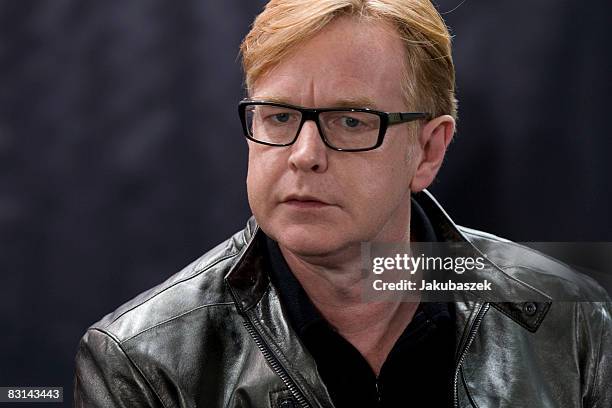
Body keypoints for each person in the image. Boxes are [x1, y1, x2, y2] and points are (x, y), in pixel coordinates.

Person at [74, 1, 612, 407]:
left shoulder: (574, 322)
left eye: (351, 121)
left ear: (428, 150)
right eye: (279, 117)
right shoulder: (140, 360)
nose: (304, 156)